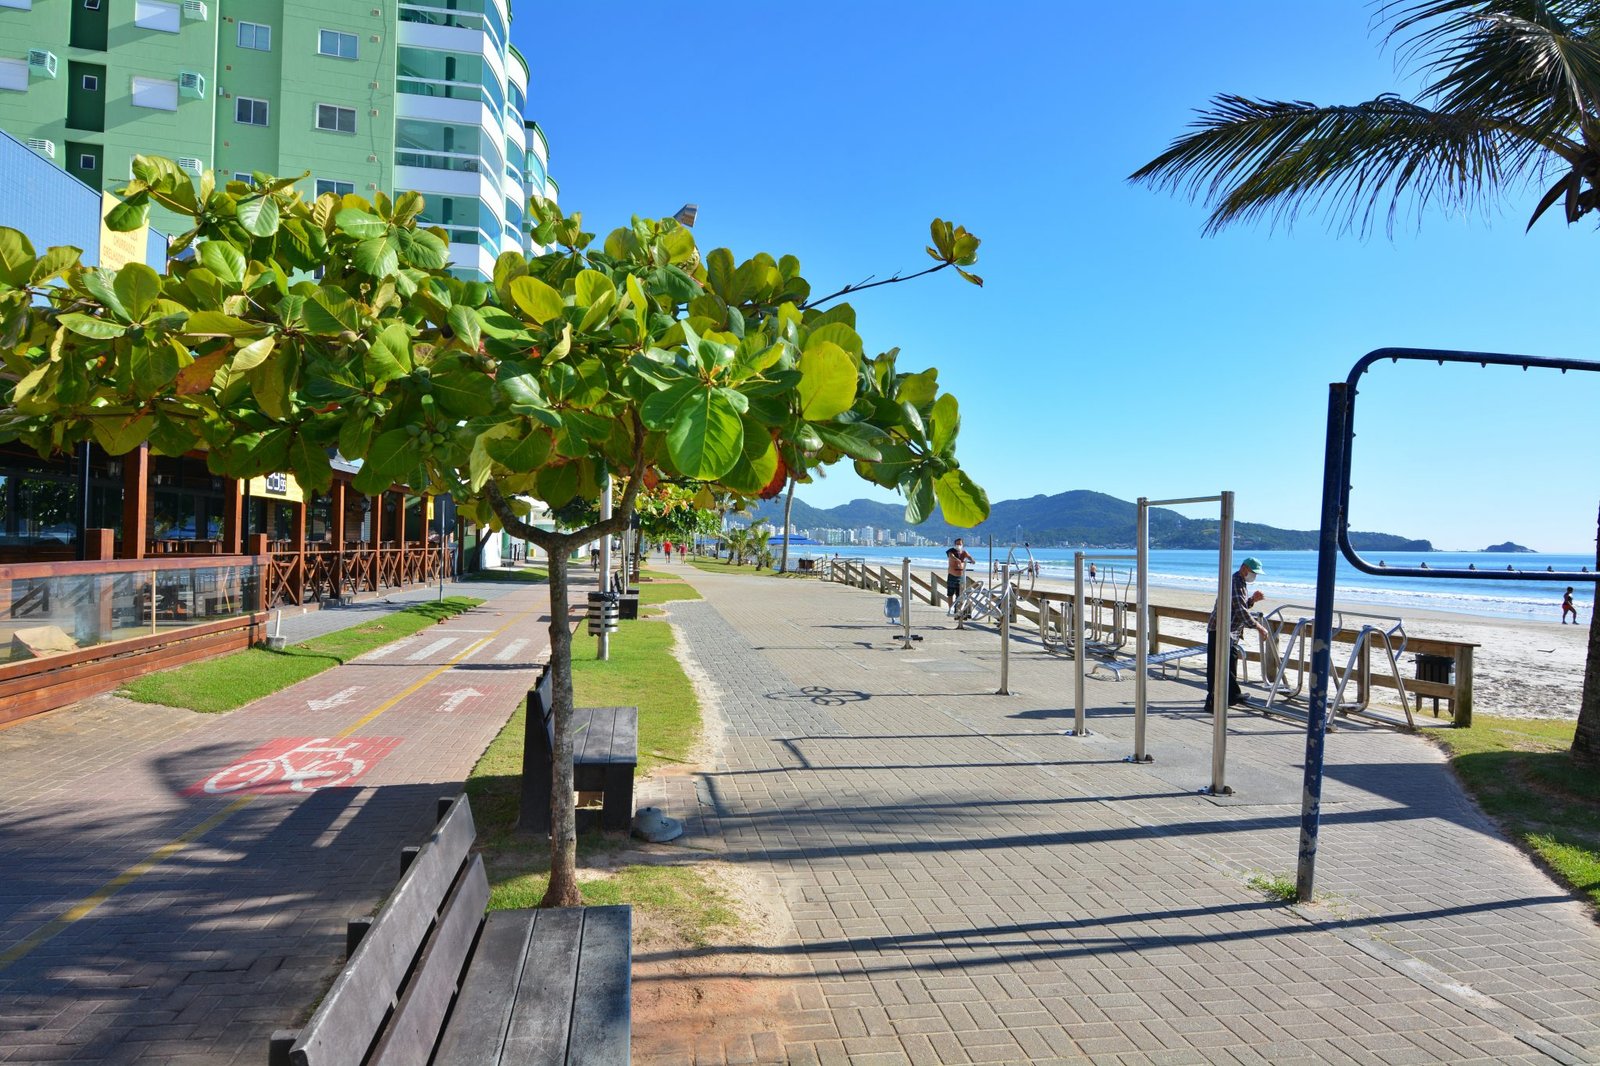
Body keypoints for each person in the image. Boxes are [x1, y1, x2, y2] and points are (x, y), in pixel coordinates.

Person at [1202, 556, 1269, 713]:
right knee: (1217, 666)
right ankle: (1213, 701)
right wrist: (1258, 626)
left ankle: (1232, 695)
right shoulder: (1236, 583)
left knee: (1230, 661)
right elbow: (1240, 611)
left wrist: (1252, 599)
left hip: (1229, 630)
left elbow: (1238, 605)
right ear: (1244, 568)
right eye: (1253, 572)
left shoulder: (1240, 582)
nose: (1255, 576)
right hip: (1221, 629)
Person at [945, 538, 975, 615]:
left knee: (960, 595)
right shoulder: (951, 551)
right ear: (955, 544)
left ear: (962, 544)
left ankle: (957, 610)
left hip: (961, 576)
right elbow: (951, 556)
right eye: (957, 544)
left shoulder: (964, 552)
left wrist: (972, 560)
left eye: (960, 544)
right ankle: (950, 609)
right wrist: (957, 560)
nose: (958, 545)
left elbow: (969, 556)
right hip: (952, 575)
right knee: (950, 594)